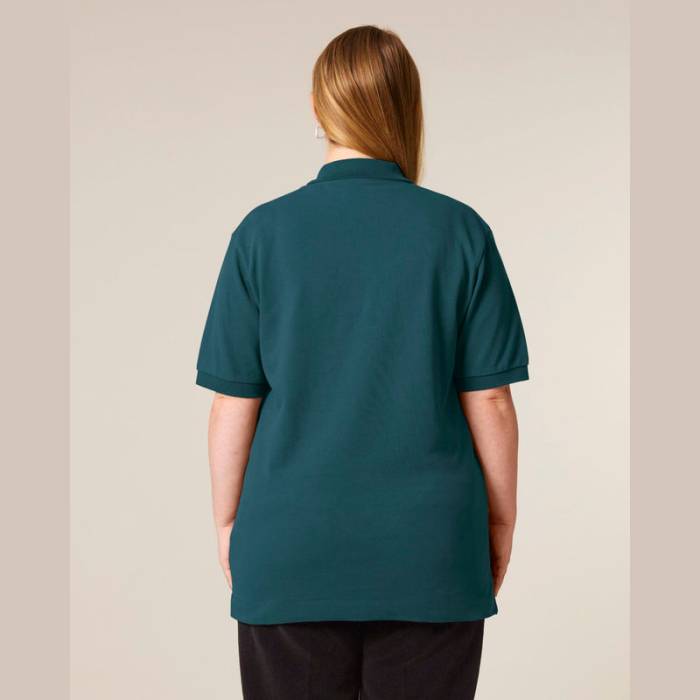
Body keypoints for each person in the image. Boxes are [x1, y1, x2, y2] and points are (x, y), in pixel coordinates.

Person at [196, 25, 529, 700]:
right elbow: (490, 400)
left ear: (318, 109)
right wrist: (498, 524)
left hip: (290, 545)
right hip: (430, 549)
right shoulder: (460, 231)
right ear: (408, 108)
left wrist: (231, 524)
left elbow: (234, 401)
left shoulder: (262, 233)